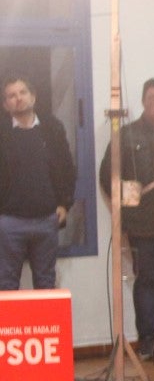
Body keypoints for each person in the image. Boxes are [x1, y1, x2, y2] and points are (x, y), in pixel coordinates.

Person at [99, 77, 154, 359]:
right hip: (143, 228)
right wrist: (130, 199)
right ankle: (148, 342)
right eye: (153, 98)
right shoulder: (127, 136)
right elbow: (108, 177)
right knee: (146, 281)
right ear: (143, 101)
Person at [0, 76, 76, 290]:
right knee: (6, 285)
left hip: (46, 220)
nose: (18, 98)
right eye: (12, 96)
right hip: (9, 223)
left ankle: (45, 326)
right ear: (6, 105)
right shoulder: (2, 134)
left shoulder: (52, 129)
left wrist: (64, 204)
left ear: (33, 96)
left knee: (45, 283)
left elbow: (67, 170)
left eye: (23, 92)